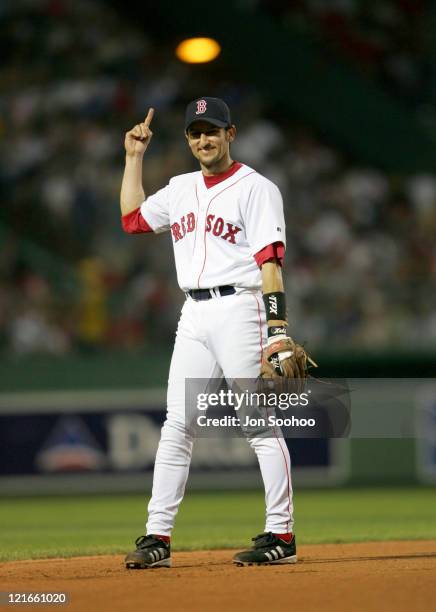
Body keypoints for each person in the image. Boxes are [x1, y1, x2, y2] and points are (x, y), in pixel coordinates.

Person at [121, 97, 298, 567]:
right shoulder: (180, 188)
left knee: (258, 423)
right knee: (177, 425)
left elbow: (271, 264)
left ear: (231, 134)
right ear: (187, 139)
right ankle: (157, 537)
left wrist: (278, 330)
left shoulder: (256, 188)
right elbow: (133, 219)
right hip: (194, 313)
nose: (204, 139)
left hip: (240, 309)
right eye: (196, 132)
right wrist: (133, 157)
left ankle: (281, 534)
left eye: (213, 130)